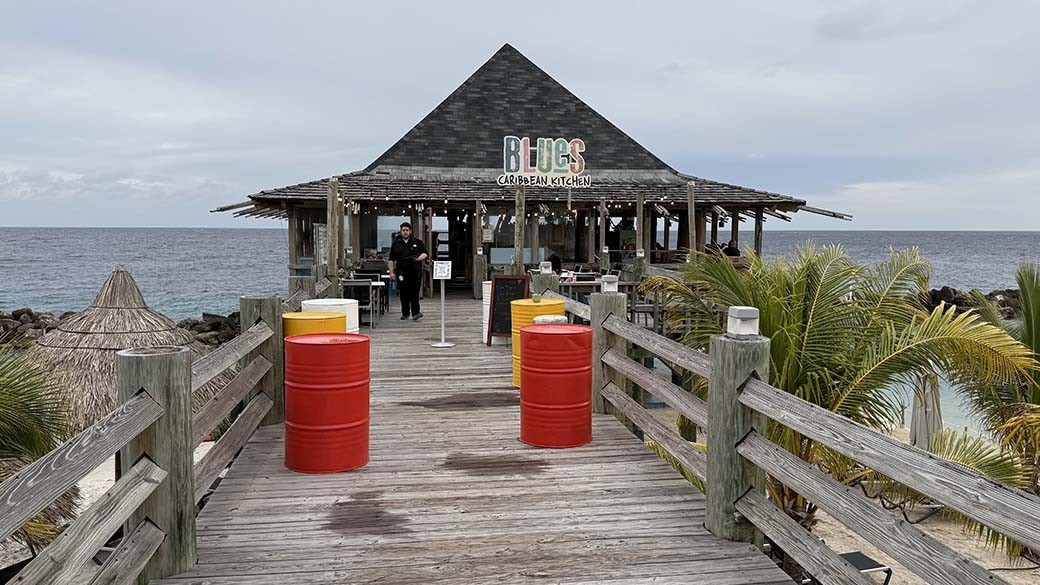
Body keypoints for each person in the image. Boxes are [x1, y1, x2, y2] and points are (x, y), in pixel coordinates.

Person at [388, 222, 428, 320]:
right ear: (400, 231)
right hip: (402, 272)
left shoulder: (417, 242)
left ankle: (416, 313)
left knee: (414, 293)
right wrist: (391, 272)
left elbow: (425, 253)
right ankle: (405, 313)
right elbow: (391, 259)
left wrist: (419, 258)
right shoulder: (396, 244)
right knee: (403, 293)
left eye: (407, 230)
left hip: (415, 272)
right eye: (403, 230)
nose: (405, 232)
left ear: (410, 231)